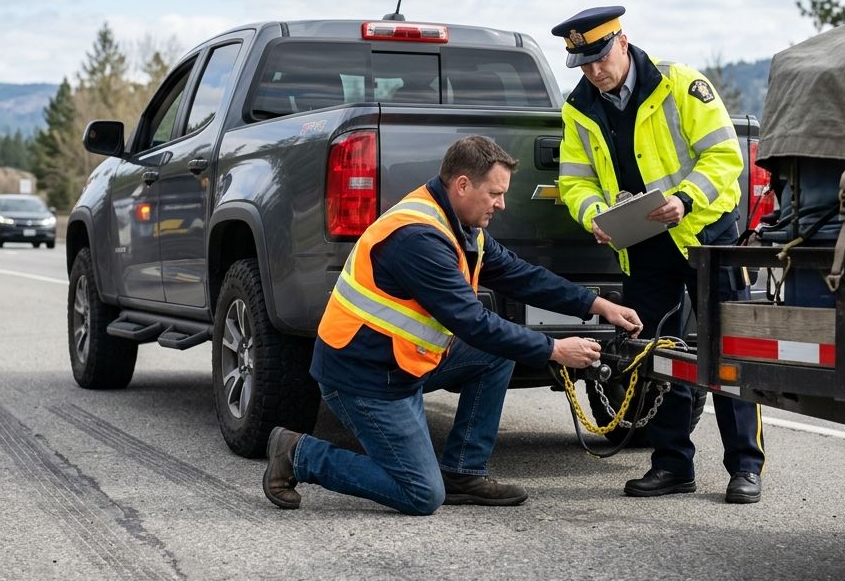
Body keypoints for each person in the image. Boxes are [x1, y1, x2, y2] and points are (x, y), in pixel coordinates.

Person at [262, 135, 643, 515]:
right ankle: (299, 453)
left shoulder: (459, 225)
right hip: (363, 377)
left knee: (498, 355)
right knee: (420, 494)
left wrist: (596, 304)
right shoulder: (419, 238)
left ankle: (463, 472)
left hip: (402, 362)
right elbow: (473, 323)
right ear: (462, 185)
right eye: (495, 193)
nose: (502, 203)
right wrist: (555, 350)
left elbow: (520, 275)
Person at [550, 6, 766, 504]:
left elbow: (724, 157)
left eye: (600, 58)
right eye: (583, 65)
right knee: (658, 356)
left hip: (705, 235)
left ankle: (745, 467)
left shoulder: (681, 85)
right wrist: (595, 217)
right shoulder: (580, 107)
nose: (593, 72)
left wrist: (685, 198)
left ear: (622, 43)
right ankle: (672, 465)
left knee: (728, 350)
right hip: (643, 246)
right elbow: (575, 181)